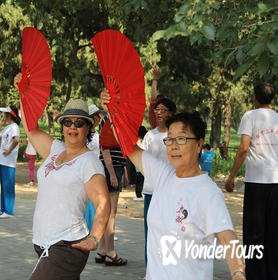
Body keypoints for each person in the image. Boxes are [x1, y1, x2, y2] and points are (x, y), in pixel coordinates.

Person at [101, 90, 246, 280]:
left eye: (182, 139)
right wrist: (111, 111)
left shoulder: (208, 192)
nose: (174, 145)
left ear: (199, 144)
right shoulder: (162, 175)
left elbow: (229, 238)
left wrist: (237, 273)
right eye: (170, 139)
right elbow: (128, 144)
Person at [14, 71, 110, 279]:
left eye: (79, 123)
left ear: (88, 127)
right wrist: (23, 92)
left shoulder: (89, 163)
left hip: (66, 246)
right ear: (62, 125)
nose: (72, 127)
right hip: (44, 244)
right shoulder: (55, 149)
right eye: (68, 122)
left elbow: (103, 204)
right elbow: (30, 129)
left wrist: (94, 237)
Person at [225, 83, 278, 279]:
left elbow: (244, 148)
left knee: (255, 233)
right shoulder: (277, 118)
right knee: (273, 232)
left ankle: (256, 274)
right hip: (276, 182)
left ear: (255, 97)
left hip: (257, 182)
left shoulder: (250, 116)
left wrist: (231, 177)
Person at [140, 97, 176, 265]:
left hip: (171, 190)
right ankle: (150, 269)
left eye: (164, 110)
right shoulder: (150, 135)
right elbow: (142, 162)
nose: (160, 113)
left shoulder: (176, 135)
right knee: (151, 232)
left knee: (169, 232)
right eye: (157, 110)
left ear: (172, 113)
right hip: (151, 191)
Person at [95, 115, 128, 266]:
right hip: (111, 168)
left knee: (104, 211)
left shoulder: (114, 119)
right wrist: (113, 173)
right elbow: (105, 147)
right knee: (111, 213)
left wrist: (124, 170)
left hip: (114, 167)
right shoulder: (110, 120)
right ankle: (110, 253)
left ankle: (102, 250)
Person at [0, 105, 21, 219]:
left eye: (5, 114)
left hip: (9, 160)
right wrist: (0, 124)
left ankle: (9, 211)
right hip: (3, 160)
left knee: (8, 185)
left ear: (10, 115)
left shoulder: (14, 127)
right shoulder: (8, 127)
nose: (3, 115)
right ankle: (3, 208)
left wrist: (9, 150)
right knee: (4, 185)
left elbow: (17, 140)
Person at [84, 104, 104, 231]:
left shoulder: (97, 134)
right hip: (86, 172)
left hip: (96, 172)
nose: (99, 118)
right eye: (97, 116)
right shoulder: (84, 135)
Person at [133, 125, 147, 201]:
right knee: (142, 180)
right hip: (144, 164)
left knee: (139, 180)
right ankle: (140, 194)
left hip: (138, 164)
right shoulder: (146, 140)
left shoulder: (139, 141)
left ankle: (139, 195)